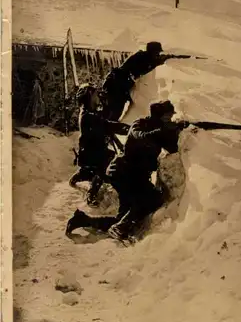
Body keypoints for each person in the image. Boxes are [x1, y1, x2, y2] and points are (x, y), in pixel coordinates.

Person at [66, 100, 189, 238]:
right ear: (158, 116)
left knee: (125, 215)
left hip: (135, 175)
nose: (169, 119)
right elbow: (141, 136)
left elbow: (172, 147)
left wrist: (176, 131)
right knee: (151, 199)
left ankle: (83, 220)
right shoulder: (140, 125)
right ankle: (120, 227)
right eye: (167, 117)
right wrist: (164, 130)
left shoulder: (160, 131)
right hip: (122, 172)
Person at [68, 83, 130, 206]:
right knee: (104, 166)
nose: (98, 97)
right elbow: (108, 125)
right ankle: (91, 195)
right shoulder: (88, 116)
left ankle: (77, 178)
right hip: (92, 153)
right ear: (90, 96)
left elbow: (106, 124)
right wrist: (129, 129)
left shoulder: (90, 113)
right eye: (96, 94)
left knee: (92, 170)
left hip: (91, 151)